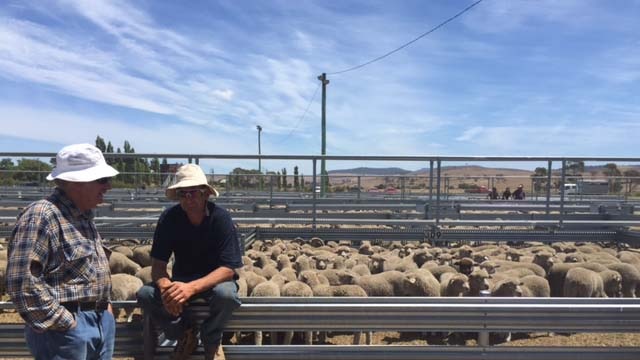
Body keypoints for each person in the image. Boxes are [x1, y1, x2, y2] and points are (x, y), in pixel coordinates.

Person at [6, 143, 119, 360]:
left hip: (99, 322)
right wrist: (66, 323)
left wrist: (106, 310)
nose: (109, 186)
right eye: (102, 180)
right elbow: (22, 280)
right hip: (67, 331)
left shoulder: (84, 218)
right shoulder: (42, 215)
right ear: (76, 182)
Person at [136, 164, 242, 360]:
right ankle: (184, 332)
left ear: (205, 194)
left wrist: (191, 288)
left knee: (226, 295)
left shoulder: (221, 219)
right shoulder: (169, 219)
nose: (187, 199)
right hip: (181, 280)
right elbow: (158, 267)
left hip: (215, 281)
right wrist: (167, 287)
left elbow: (228, 268)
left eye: (192, 193)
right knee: (145, 294)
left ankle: (212, 340)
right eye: (182, 194)